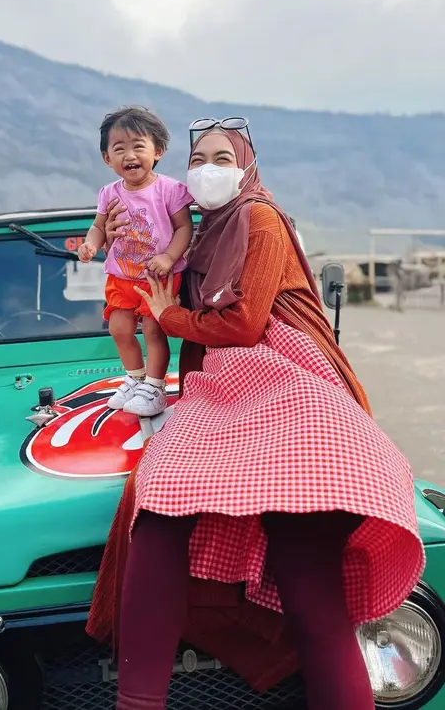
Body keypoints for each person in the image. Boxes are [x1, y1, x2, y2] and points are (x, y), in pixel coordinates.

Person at [87, 118, 424, 710]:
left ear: (247, 167)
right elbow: (156, 271)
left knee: (297, 578)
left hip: (288, 387)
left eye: (223, 158)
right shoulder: (204, 233)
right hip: (227, 390)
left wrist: (170, 319)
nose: (208, 170)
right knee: (292, 576)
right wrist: (122, 240)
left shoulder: (258, 218)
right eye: (198, 159)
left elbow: (242, 324)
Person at [77, 106, 193, 417]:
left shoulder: (169, 190)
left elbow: (185, 228)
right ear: (107, 158)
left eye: (138, 146)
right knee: (118, 328)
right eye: (119, 149)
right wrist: (90, 244)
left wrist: (169, 257)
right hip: (121, 277)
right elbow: (98, 227)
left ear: (158, 151)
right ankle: (134, 378)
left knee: (154, 331)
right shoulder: (108, 193)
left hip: (157, 277)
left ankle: (154, 387)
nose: (129, 155)